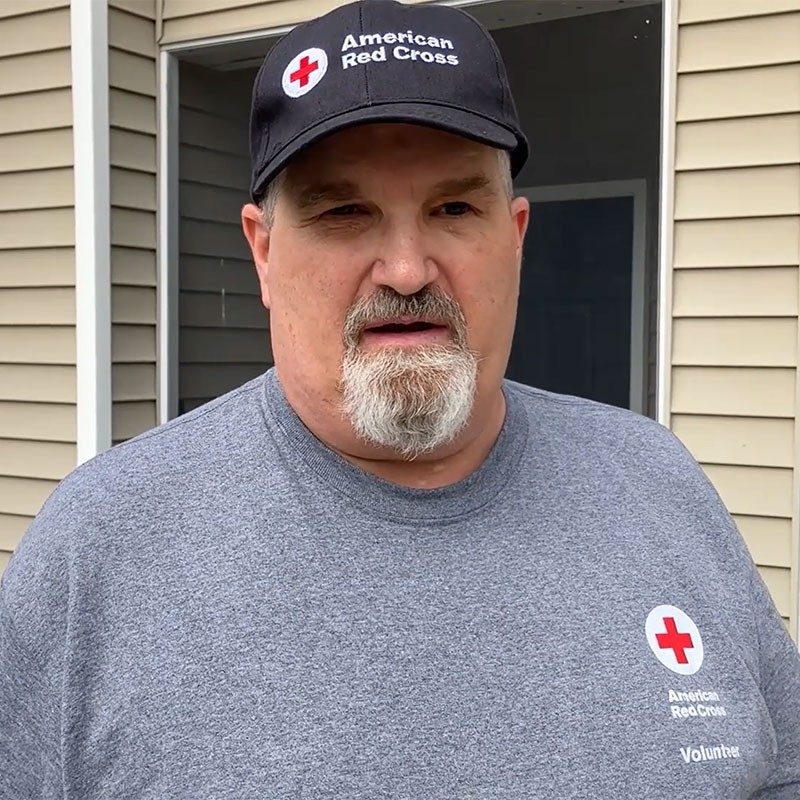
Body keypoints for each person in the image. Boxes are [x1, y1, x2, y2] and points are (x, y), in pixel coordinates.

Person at [1, 0, 798, 797]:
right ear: (264, 251)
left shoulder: (658, 481)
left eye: (454, 208)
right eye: (344, 212)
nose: (408, 269)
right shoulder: (101, 547)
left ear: (515, 236)